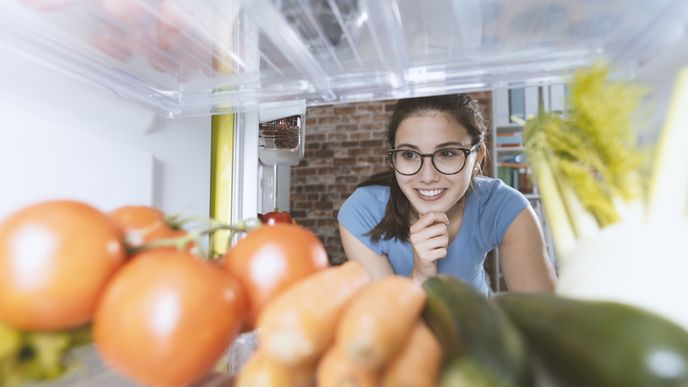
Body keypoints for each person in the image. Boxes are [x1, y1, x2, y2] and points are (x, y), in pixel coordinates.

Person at [337, 94, 556, 295]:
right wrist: (421, 275)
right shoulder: (362, 211)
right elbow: (383, 328)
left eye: (447, 153)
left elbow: (548, 321)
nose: (427, 176)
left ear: (477, 157)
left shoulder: (504, 206)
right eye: (409, 154)